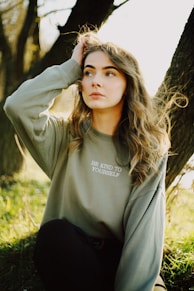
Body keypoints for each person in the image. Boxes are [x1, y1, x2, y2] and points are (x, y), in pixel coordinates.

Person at [4, 31, 169, 291]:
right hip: (69, 253)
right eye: (88, 72)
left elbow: (144, 233)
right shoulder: (64, 135)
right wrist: (70, 68)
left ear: (129, 83)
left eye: (109, 73)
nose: (95, 81)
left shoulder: (148, 150)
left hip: (122, 260)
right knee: (55, 235)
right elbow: (17, 106)